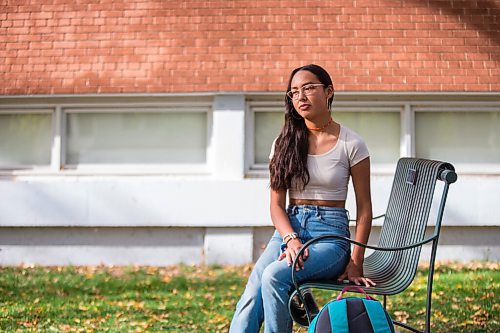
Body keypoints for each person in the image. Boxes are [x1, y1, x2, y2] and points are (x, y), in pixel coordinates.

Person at [229, 64, 375, 333]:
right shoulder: (284, 142)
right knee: (254, 288)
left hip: (330, 236)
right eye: (294, 92)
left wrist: (356, 261)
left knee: (274, 276)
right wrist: (290, 238)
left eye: (308, 88)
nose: (301, 97)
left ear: (328, 92)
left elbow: (365, 210)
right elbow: (276, 206)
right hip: (289, 230)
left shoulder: (352, 144)